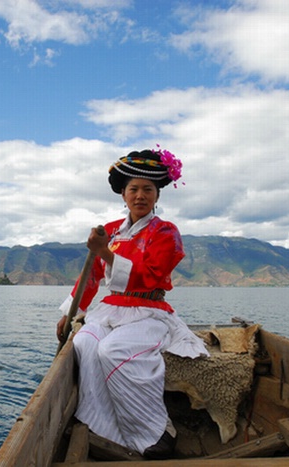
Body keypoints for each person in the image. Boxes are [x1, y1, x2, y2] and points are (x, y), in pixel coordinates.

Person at [56, 148, 209, 459]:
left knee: (112, 351)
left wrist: (107, 253)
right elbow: (91, 275)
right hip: (111, 309)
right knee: (84, 343)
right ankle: (104, 425)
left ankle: (156, 430)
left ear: (157, 195)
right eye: (134, 189)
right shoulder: (109, 231)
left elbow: (152, 276)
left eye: (148, 190)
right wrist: (70, 313)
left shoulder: (166, 232)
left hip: (148, 310)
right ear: (123, 194)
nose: (140, 196)